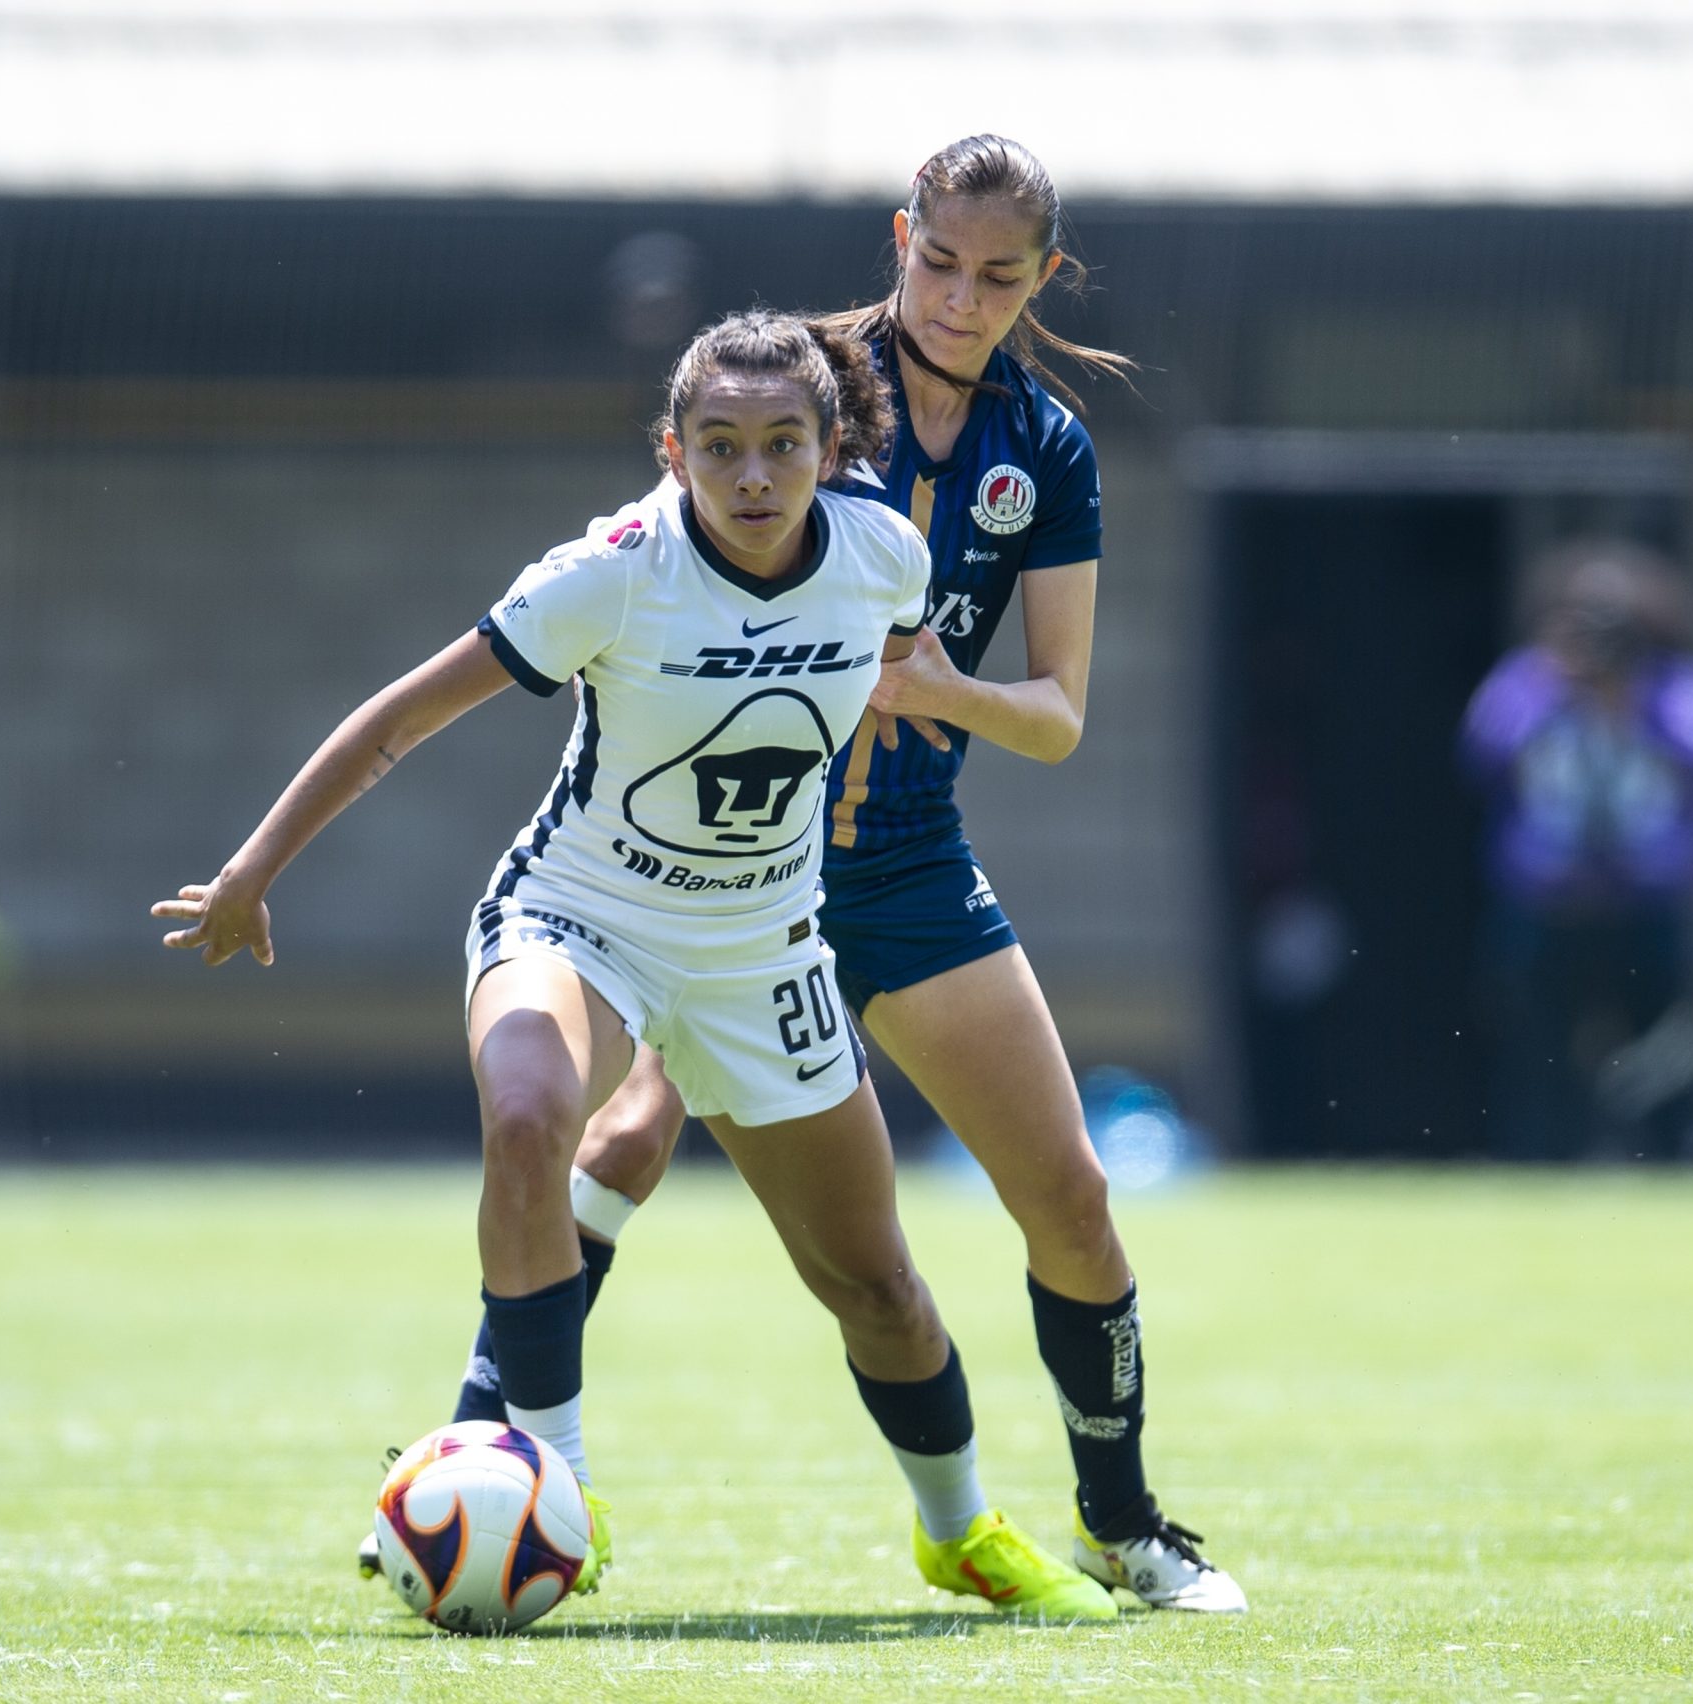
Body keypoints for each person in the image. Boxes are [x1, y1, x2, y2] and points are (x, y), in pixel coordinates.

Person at [387, 135, 1248, 1614]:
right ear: (900, 238)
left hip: (909, 868)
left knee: (1074, 1199)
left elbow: (1056, 718)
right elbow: (667, 569)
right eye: (939, 262)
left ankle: (1126, 1526)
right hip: (731, 875)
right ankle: (499, 1470)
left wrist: (935, 690)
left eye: (999, 276)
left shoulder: (1042, 452)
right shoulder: (800, 393)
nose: (961, 298)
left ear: (1044, 279)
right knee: (603, 1145)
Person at [156, 308, 1115, 1618]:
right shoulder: (610, 572)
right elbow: (401, 717)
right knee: (536, 1112)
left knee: (875, 1284)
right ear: (674, 452)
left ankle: (959, 1533)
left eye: (784, 444)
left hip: (766, 944)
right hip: (579, 917)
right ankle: (559, 1486)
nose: (754, 475)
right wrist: (255, 869)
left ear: (837, 452)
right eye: (719, 447)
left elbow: (896, 684)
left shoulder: (887, 559)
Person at [1462, 539, 1693, 1162]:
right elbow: (1481, 751)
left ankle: (1674, 1172)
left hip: (1647, 905)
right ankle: (1539, 1173)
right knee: (1538, 1057)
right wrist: (1555, 684)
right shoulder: (1528, 681)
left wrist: (1631, 701)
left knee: (1666, 1056)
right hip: (1545, 906)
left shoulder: (1677, 687)